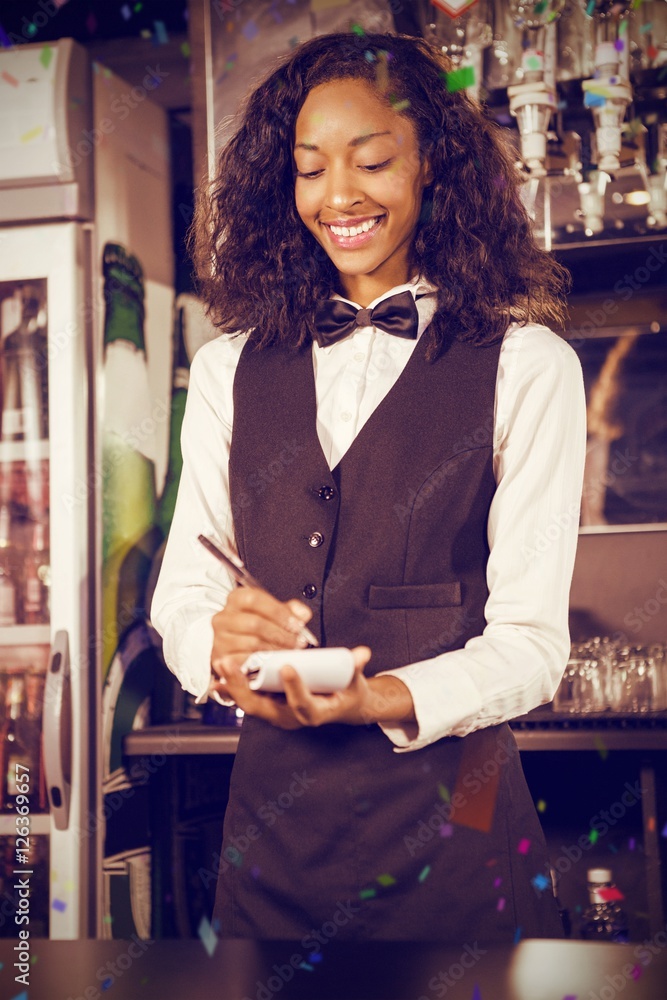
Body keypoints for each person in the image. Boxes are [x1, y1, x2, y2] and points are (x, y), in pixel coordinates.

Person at [151, 29, 587, 943]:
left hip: (459, 845)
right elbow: (185, 597)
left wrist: (372, 696)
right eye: (310, 169)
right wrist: (217, 648)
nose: (338, 196)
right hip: (272, 849)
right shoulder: (229, 368)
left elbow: (531, 646)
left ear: (433, 166)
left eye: (373, 160)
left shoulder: (525, 363)